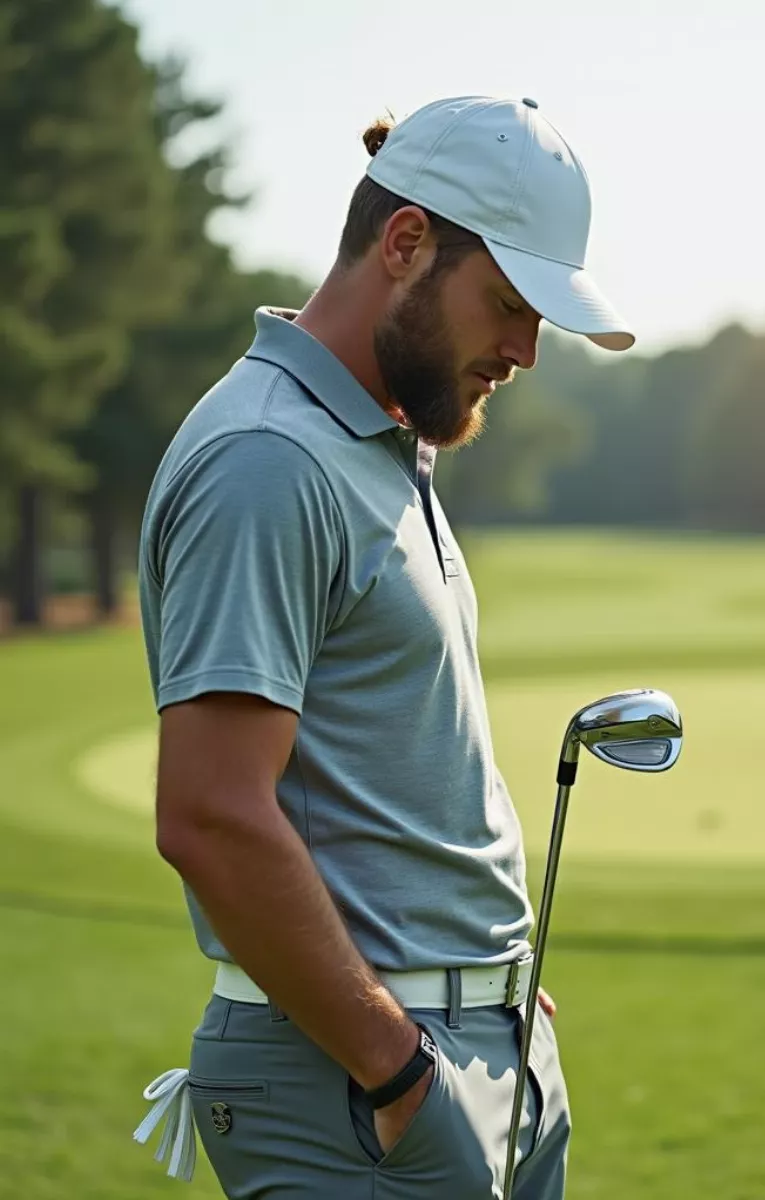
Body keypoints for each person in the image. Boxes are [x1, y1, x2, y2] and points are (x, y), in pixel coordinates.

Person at [132, 94, 635, 1199]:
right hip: (358, 1088)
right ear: (405, 243)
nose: (526, 350)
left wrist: (488, 986)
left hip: (463, 1048)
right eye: (507, 304)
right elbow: (212, 815)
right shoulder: (269, 459)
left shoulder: (377, 446)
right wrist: (404, 1066)